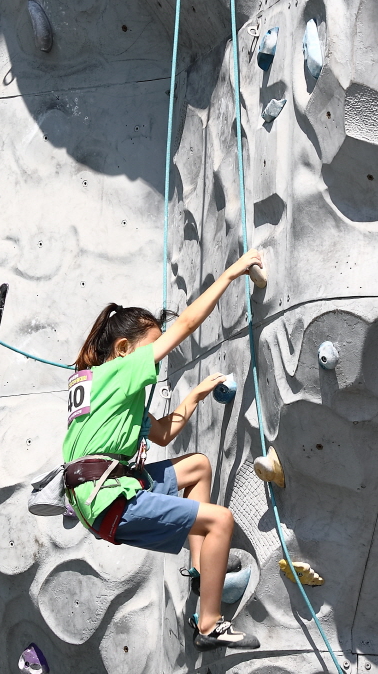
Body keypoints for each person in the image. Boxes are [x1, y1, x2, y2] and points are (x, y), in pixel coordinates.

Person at [63, 250, 264, 651]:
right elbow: (186, 324)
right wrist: (230, 274)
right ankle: (209, 625)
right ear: (124, 349)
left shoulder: (103, 388)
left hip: (104, 489)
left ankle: (201, 570)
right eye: (153, 348)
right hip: (108, 499)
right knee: (220, 521)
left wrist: (195, 395)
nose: (158, 359)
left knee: (198, 467)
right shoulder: (119, 371)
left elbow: (162, 434)